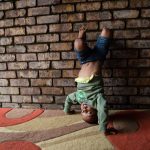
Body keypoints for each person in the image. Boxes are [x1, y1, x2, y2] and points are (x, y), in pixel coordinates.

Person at [63, 26, 117, 135]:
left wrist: (67, 110)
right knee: (107, 30)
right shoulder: (98, 101)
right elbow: (103, 111)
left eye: (83, 111)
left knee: (78, 43)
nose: (85, 109)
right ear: (96, 110)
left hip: (85, 59)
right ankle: (99, 34)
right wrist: (103, 128)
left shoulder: (79, 98)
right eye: (89, 112)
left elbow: (69, 98)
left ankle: (81, 36)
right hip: (99, 57)